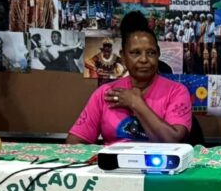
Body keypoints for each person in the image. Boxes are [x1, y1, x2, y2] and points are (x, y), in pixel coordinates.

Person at [67, 11, 191, 144]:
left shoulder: (176, 92)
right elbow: (74, 143)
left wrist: (136, 103)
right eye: (135, 53)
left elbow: (173, 142)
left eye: (151, 53)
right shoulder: (106, 93)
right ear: (123, 56)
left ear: (158, 54)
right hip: (113, 158)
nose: (144, 59)